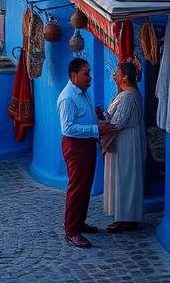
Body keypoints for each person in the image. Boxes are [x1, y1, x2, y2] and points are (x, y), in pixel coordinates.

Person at [57, 57, 112, 248]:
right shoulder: (67, 97)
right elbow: (68, 128)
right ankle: (71, 231)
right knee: (77, 187)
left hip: (86, 144)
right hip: (75, 146)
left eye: (89, 73)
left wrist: (97, 122)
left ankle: (79, 222)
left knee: (85, 185)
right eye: (86, 73)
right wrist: (97, 130)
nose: (90, 77)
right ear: (74, 76)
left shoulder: (82, 92)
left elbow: (83, 119)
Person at [102, 60, 146, 232]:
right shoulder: (126, 94)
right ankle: (123, 217)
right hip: (124, 140)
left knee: (125, 178)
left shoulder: (128, 96)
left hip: (126, 142)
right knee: (123, 178)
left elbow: (117, 123)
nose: (114, 76)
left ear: (125, 77)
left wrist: (101, 124)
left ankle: (127, 218)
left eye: (117, 73)